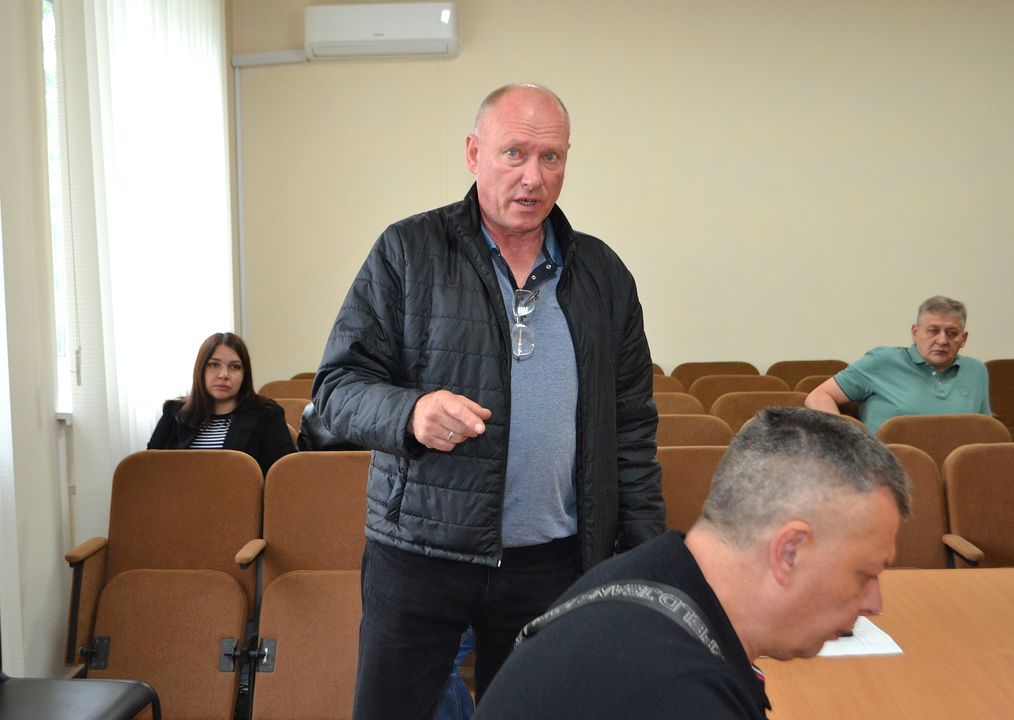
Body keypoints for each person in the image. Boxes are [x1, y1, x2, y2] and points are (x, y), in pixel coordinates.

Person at [313, 83, 665, 719]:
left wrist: (641, 563)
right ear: (474, 153)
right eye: (514, 153)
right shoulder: (408, 252)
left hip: (554, 563)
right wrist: (410, 413)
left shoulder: (604, 275)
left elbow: (632, 432)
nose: (534, 176)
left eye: (551, 157)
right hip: (420, 554)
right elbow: (336, 390)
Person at [473, 407, 912, 720]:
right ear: (789, 551)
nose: (874, 604)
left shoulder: (651, 572)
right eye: (865, 574)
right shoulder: (677, 692)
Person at [805, 295, 991, 434]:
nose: (942, 340)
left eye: (951, 333)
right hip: (889, 468)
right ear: (915, 332)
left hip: (958, 471)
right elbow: (818, 396)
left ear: (963, 338)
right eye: (933, 331)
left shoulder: (976, 371)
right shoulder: (882, 361)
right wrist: (847, 439)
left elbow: (985, 432)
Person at [148, 331, 295, 475]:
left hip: (241, 491)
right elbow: (149, 470)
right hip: (179, 491)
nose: (224, 375)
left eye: (234, 367)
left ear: (245, 375)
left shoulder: (267, 414)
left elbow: (282, 476)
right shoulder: (174, 413)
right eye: (214, 365)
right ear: (200, 370)